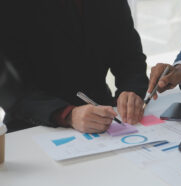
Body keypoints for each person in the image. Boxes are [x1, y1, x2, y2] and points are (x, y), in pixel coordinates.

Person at [1, 0, 148, 133]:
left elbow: (130, 58)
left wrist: (131, 90)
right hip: (33, 127)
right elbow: (9, 87)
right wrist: (67, 114)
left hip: (103, 118)